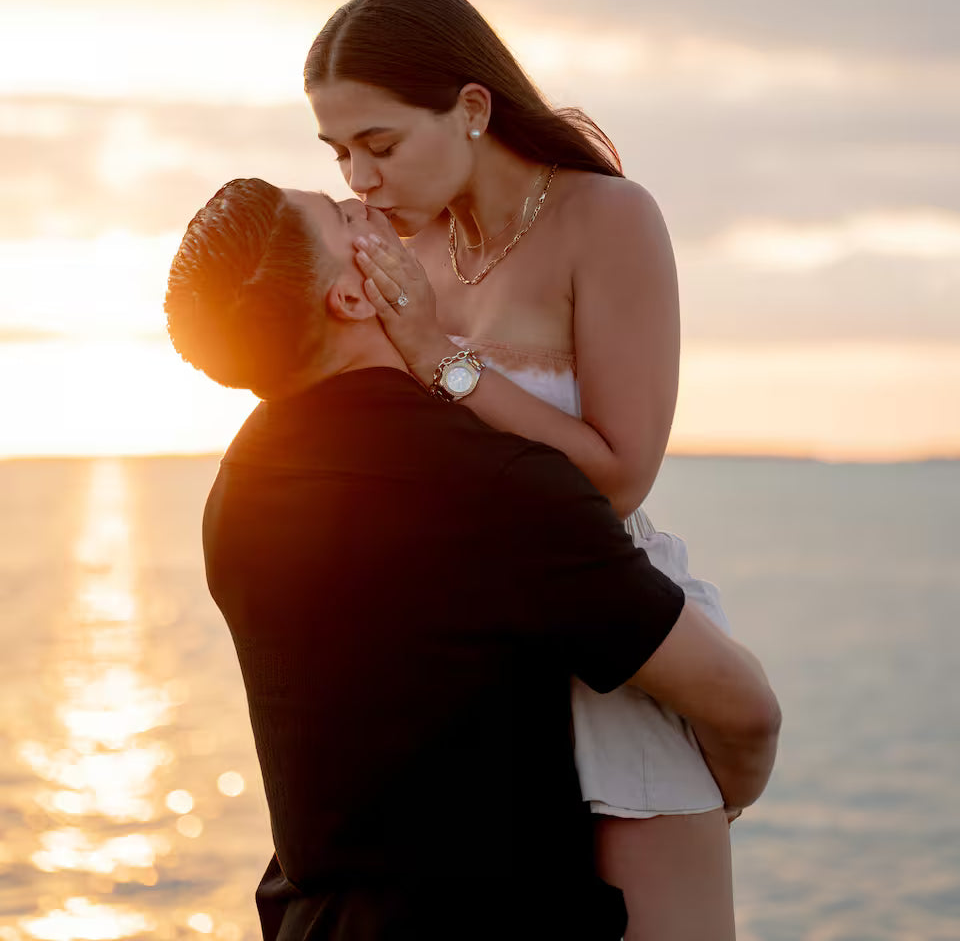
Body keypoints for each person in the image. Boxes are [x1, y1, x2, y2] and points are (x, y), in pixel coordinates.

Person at [165, 178, 780, 941]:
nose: (368, 205)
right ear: (353, 298)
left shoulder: (239, 484)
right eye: (344, 217)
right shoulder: (492, 485)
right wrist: (730, 799)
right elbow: (744, 708)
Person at [303, 0, 756, 939]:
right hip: (462, 687)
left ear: (472, 108)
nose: (360, 180)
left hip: (609, 650)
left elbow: (622, 472)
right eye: (339, 153)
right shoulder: (400, 255)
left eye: (379, 146)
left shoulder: (610, 219)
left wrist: (438, 358)